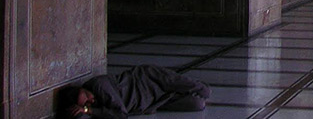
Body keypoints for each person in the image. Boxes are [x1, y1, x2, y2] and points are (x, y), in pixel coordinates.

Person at [59, 64, 210, 118]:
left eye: (87, 97)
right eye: (86, 104)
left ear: (84, 89)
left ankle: (200, 85)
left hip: (147, 79)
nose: (91, 101)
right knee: (197, 104)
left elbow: (120, 113)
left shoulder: (99, 85)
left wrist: (88, 110)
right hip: (151, 102)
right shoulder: (93, 105)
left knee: (196, 88)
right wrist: (85, 111)